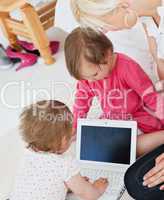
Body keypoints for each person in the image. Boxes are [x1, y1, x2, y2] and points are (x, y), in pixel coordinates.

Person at [64, 27, 164, 156]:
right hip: (112, 118)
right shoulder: (88, 77)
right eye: (85, 78)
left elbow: (150, 96)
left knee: (132, 148)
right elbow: (82, 99)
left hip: (137, 115)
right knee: (98, 143)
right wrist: (76, 124)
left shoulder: (127, 67)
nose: (90, 81)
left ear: (108, 54)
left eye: (94, 74)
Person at [9, 100, 108, 200]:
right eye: (70, 135)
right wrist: (98, 189)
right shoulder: (65, 164)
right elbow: (88, 194)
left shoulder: (27, 154)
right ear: (64, 140)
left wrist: (69, 184)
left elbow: (40, 182)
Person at [70, 0, 164, 85]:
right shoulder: (147, 18)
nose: (107, 31)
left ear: (121, 5)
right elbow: (157, 56)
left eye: (103, 26)